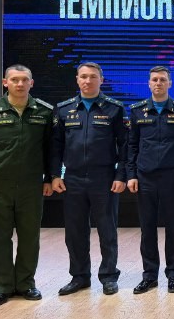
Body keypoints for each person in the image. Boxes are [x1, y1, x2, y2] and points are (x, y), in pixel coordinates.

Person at [0, 65, 54, 307]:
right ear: (5, 82)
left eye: (25, 79)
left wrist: (49, 178)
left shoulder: (44, 112)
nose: (20, 84)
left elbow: (50, 150)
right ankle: (3, 288)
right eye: (14, 80)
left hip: (31, 187)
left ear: (32, 83)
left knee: (29, 238)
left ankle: (26, 284)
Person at [51, 62, 128, 297]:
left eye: (93, 77)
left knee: (107, 230)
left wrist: (121, 175)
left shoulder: (114, 109)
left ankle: (109, 276)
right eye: (83, 76)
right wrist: (54, 175)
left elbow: (125, 146)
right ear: (77, 79)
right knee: (75, 231)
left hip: (104, 178)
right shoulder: (64, 109)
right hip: (72, 178)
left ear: (101, 80)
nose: (88, 81)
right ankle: (80, 276)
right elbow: (55, 146)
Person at [127, 66, 174, 294]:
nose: (158, 83)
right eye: (154, 80)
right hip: (144, 178)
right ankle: (149, 276)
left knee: (173, 228)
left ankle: (173, 274)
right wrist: (131, 175)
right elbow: (132, 146)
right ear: (148, 83)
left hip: (172, 178)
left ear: (170, 83)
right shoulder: (137, 111)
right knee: (147, 229)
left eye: (162, 80)